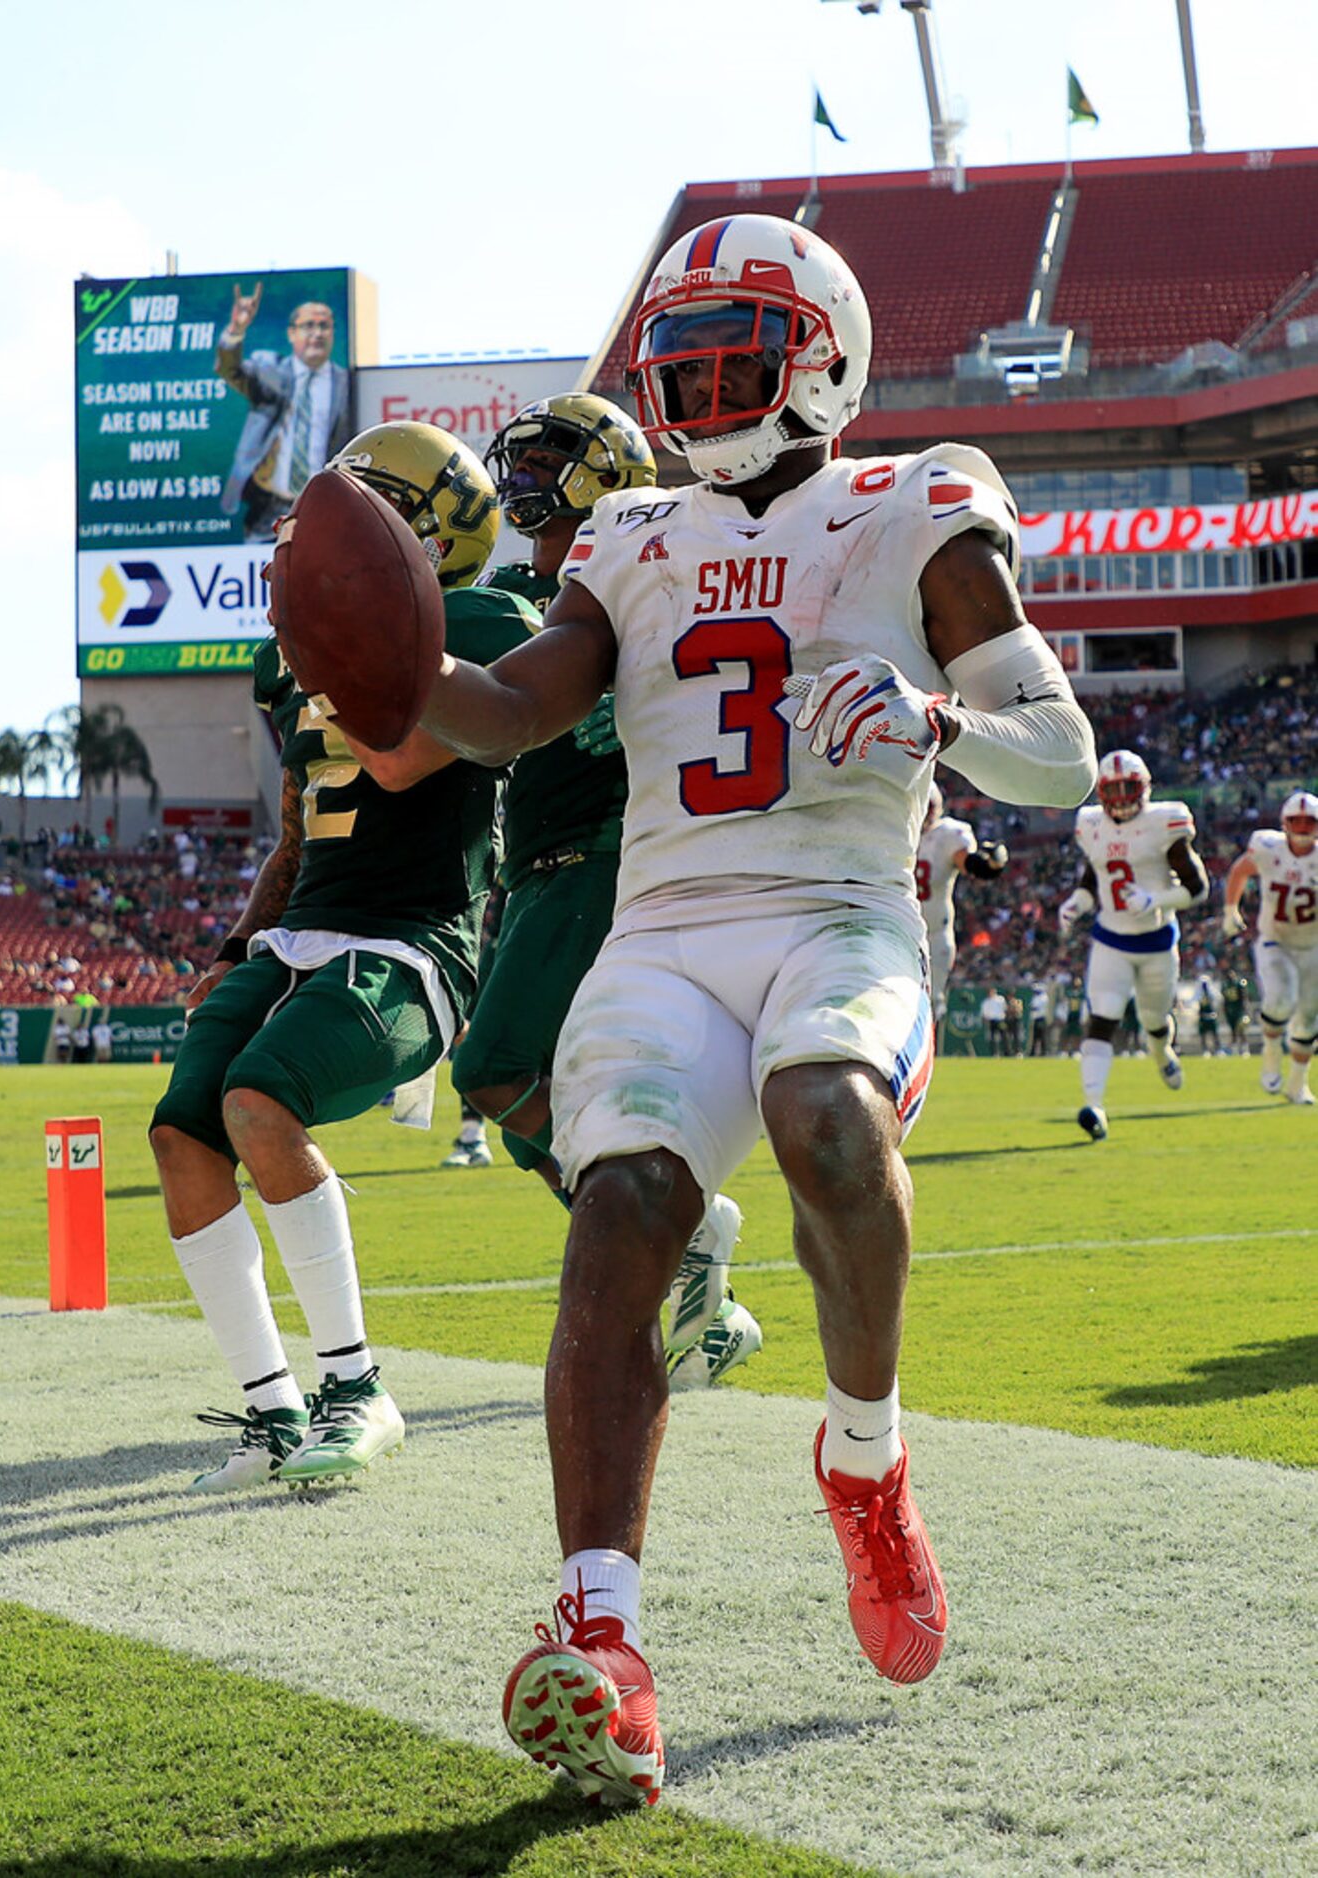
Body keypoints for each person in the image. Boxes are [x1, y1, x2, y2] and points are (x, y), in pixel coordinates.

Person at [406, 213, 1095, 1804]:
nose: (703, 376)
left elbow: (1052, 748)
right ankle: (605, 1638)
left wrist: (933, 718)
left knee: (822, 1118)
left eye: (740, 341)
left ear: (826, 356)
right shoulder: (628, 531)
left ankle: (863, 1462)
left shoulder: (913, 501)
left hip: (836, 913)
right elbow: (514, 711)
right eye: (685, 348)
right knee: (624, 1207)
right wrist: (388, 674)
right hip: (663, 930)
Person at [149, 421, 536, 1492]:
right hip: (301, 928)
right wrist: (236, 942)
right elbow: (295, 822)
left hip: (415, 937)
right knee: (181, 1132)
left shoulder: (484, 615)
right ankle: (271, 1411)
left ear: (418, 526)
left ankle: (356, 1385)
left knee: (260, 1103)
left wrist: (346, 638)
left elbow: (405, 761)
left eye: (355, 508)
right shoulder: (294, 662)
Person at [453, 391, 760, 1386]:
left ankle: (689, 1222)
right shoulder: (540, 592)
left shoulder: (629, 584)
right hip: (540, 868)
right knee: (532, 1116)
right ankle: (701, 1301)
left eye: (551, 462)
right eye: (524, 463)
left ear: (607, 474)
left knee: (495, 1069)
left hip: (596, 858)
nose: (525, 480)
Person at [1059, 750, 1208, 1141]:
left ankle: (1161, 1052)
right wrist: (1078, 902)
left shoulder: (1164, 822)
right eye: (1114, 789)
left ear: (1145, 789)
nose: (1122, 798)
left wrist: (1155, 900)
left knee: (1154, 1021)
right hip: (1110, 938)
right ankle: (1094, 1105)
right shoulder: (1091, 824)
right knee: (1102, 1016)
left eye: (1129, 788)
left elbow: (1198, 888)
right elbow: (1095, 878)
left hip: (1158, 941)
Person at [216, 283, 353, 541]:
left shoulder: (347, 385)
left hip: (325, 510)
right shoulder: (271, 371)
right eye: (308, 326)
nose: (317, 334)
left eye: (324, 326)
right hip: (269, 509)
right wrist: (237, 329)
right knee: (262, 577)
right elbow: (230, 370)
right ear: (292, 333)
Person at [1221, 789, 1318, 1105]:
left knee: (1308, 1019)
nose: (1303, 829)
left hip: (1313, 946)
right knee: (1279, 999)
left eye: (1309, 823)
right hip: (1275, 940)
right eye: (1297, 822)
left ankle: (1297, 1085)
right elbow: (1240, 870)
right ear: (1284, 823)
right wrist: (1230, 909)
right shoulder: (1267, 847)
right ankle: (1272, 1053)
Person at [915, 778, 1009, 1038]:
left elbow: (970, 864)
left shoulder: (947, 834)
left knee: (928, 1002)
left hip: (933, 933)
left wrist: (989, 865)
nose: (923, 814)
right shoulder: (894, 832)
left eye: (927, 807)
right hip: (897, 928)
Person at [1222, 966, 1250, 1054]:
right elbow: (1225, 999)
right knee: (1233, 1030)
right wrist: (1225, 1010)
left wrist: (1245, 1009)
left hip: (1239, 1009)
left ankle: (1245, 1048)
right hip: (1230, 1011)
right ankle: (1235, 1049)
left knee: (1241, 1029)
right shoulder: (1225, 985)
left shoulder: (1239, 984)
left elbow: (1244, 997)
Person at [1194, 976, 1221, 1056]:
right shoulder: (1199, 992)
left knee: (1214, 1034)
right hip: (1203, 1016)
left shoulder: (1212, 992)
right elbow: (1193, 1001)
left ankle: (1218, 1049)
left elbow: (1218, 999)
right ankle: (1205, 1050)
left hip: (1211, 1016)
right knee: (1203, 1035)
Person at [980, 985, 1008, 1056]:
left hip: (1000, 1020)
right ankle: (995, 1053)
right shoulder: (986, 1002)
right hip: (992, 1021)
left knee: (1004, 1037)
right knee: (992, 1038)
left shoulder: (1000, 999)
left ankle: (1006, 1052)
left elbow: (1005, 1009)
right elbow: (984, 1013)